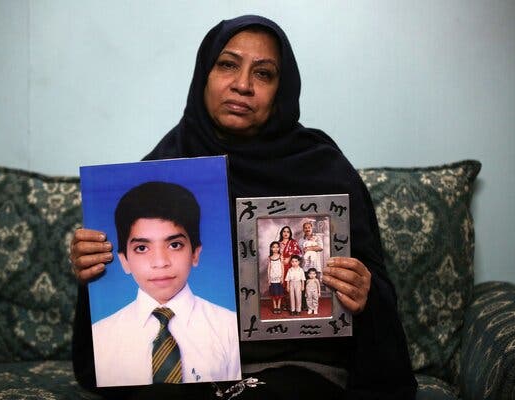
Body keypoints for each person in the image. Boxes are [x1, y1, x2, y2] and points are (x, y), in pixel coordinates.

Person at [70, 14, 417, 399]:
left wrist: (365, 292)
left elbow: (373, 295)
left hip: (298, 367)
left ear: (282, 91)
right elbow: (110, 344)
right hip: (190, 374)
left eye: (264, 74)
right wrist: (92, 270)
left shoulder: (323, 169)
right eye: (228, 65)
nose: (242, 85)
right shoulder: (162, 172)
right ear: (205, 74)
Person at [90, 181, 240, 387]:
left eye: (175, 244)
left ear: (195, 253)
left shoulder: (230, 328)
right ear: (124, 260)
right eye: (142, 248)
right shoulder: (100, 336)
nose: (160, 262)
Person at [267, 241, 283, 314]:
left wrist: (282, 277)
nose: (275, 249)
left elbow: (282, 267)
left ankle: (279, 306)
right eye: (273, 247)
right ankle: (275, 306)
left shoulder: (280, 256)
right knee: (273, 293)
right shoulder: (270, 257)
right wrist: (269, 278)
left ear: (279, 248)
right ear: (271, 248)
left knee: (279, 293)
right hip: (272, 277)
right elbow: (269, 268)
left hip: (279, 277)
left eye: (277, 247)